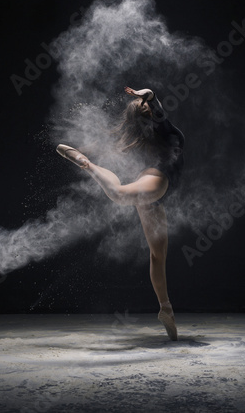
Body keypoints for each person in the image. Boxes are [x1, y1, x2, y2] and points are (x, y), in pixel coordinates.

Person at [56, 86, 185, 340]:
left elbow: (153, 105)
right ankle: (88, 165)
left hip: (156, 192)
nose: (152, 112)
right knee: (118, 194)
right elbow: (149, 105)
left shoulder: (163, 128)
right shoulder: (151, 129)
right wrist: (147, 96)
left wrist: (148, 95)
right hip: (156, 180)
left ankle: (165, 309)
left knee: (158, 256)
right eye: (146, 110)